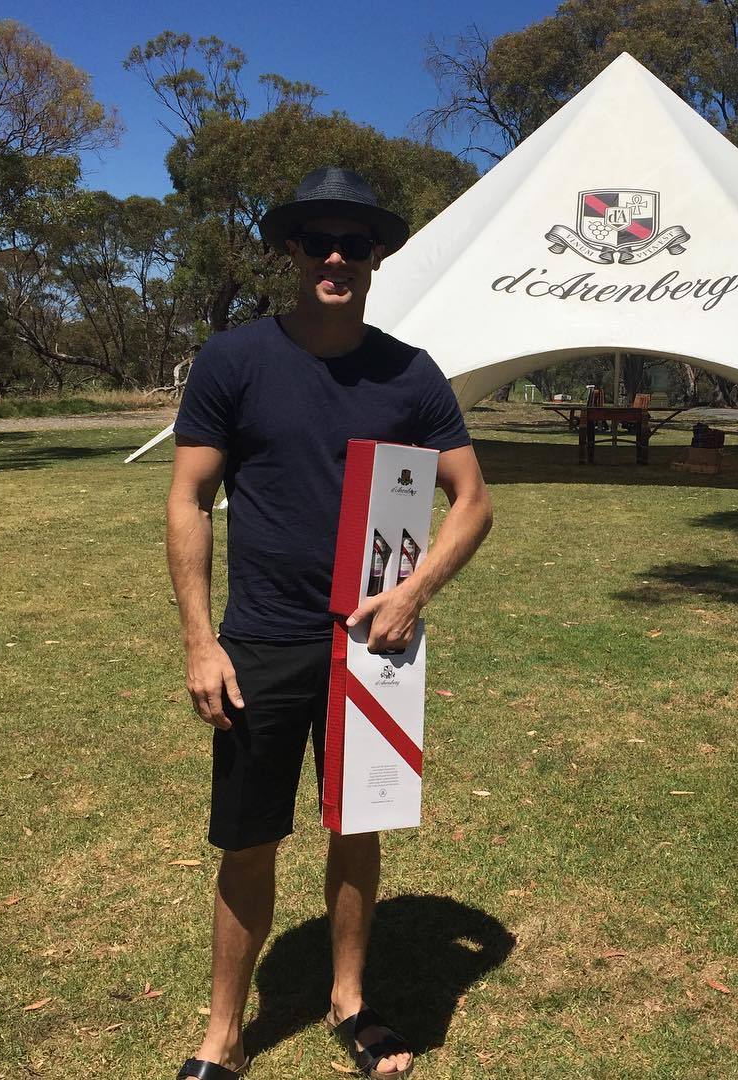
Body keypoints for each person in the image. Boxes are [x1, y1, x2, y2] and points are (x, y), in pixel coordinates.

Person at [166, 167, 492, 1080]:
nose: (337, 258)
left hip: (373, 646)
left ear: (378, 256)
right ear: (292, 251)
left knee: (358, 825)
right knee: (248, 838)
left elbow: (472, 501)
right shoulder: (235, 360)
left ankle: (351, 1000)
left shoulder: (409, 373)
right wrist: (200, 640)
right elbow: (188, 497)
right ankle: (224, 1034)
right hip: (261, 642)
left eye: (355, 243)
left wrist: (412, 594)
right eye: (319, 241)